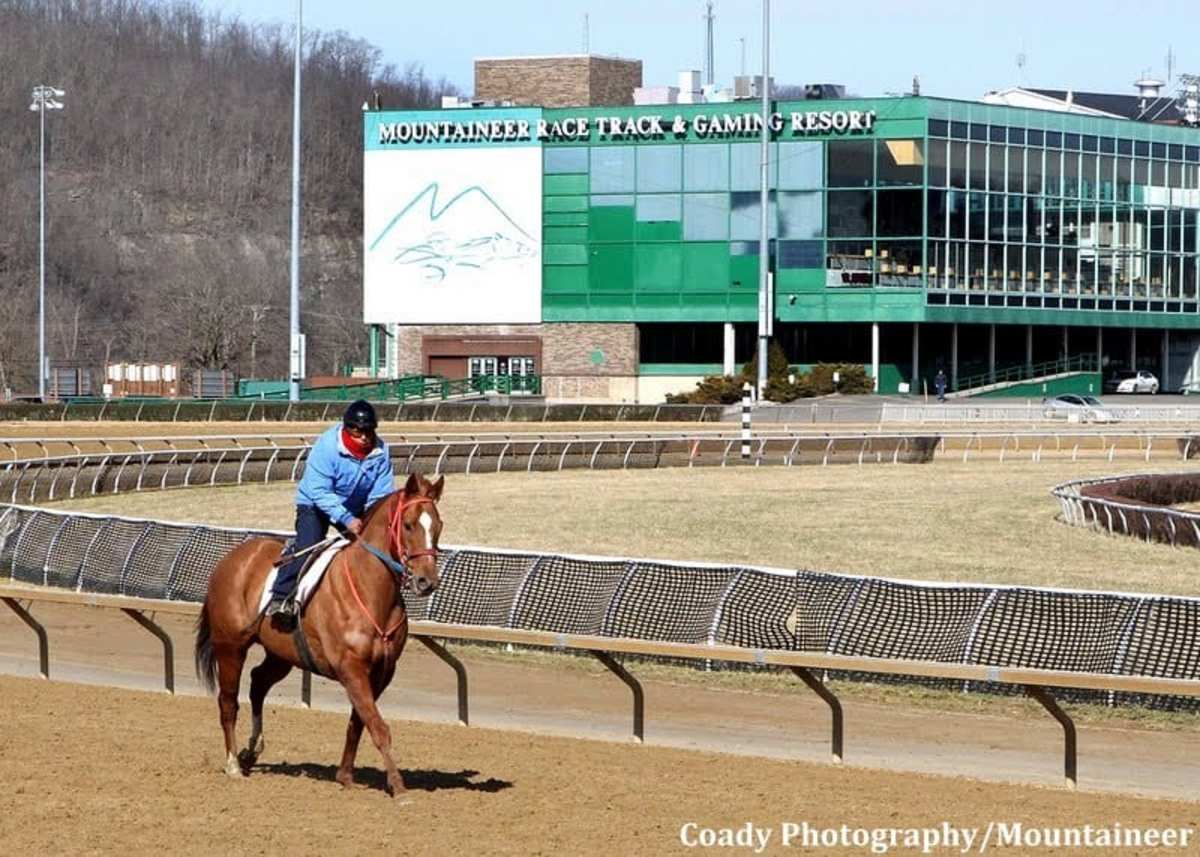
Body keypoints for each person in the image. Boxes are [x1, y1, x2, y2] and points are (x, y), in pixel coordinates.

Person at [265, 399, 394, 625]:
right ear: (346, 429)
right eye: (357, 432)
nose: (364, 437)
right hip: (314, 504)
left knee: (371, 550)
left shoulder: (380, 452)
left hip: (354, 509)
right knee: (309, 546)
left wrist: (370, 519)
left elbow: (380, 493)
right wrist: (346, 518)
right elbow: (318, 490)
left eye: (368, 431)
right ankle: (281, 596)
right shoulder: (327, 446)